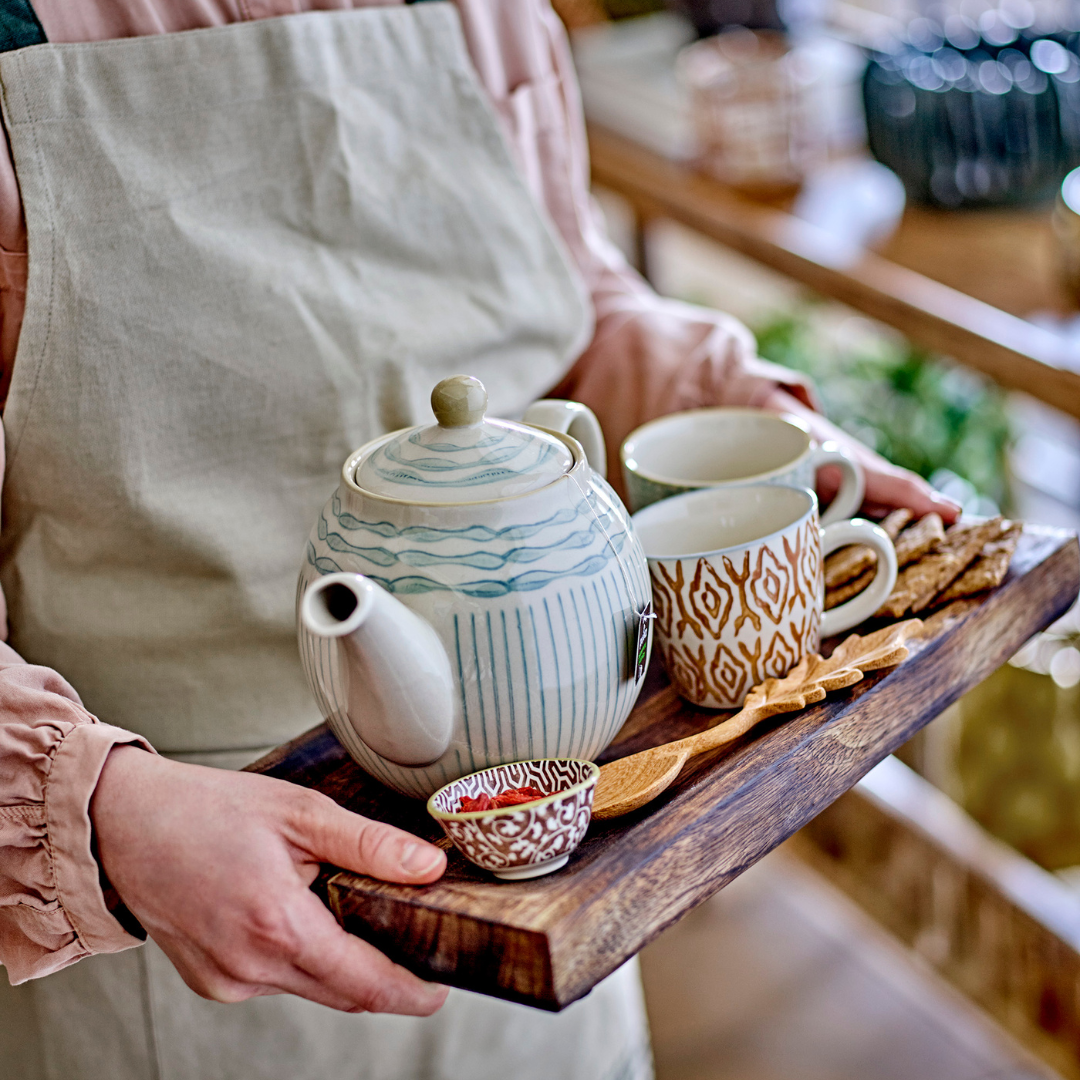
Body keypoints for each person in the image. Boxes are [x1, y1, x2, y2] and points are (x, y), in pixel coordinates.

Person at [0, 1, 960, 1078]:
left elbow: (571, 306)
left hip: (551, 876)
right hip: (176, 914)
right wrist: (93, 808)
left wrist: (750, 428)